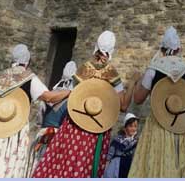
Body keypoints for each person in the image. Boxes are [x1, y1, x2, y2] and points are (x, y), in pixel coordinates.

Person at [33, 31, 137, 178]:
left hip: (75, 124)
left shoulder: (84, 69)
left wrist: (50, 97)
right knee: (86, 168)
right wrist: (132, 83)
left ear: (96, 47)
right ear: (112, 50)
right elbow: (123, 106)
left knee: (65, 163)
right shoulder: (112, 74)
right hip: (98, 127)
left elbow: (68, 93)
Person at [0, 44, 69, 178]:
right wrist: (69, 92)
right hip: (14, 127)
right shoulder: (29, 78)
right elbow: (49, 97)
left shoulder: (0, 76)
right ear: (27, 62)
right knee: (6, 161)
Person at [128, 25, 185, 178]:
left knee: (154, 166)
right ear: (178, 49)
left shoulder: (153, 69)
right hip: (181, 126)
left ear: (162, 49)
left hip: (157, 124)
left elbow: (137, 99)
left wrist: (137, 80)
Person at [27, 60, 77, 175]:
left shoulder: (51, 93)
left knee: (36, 166)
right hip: (59, 138)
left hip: (43, 134)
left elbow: (40, 118)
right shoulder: (73, 99)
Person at [103, 112, 139, 178]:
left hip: (129, 165)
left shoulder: (136, 142)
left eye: (135, 126)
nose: (133, 128)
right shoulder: (117, 139)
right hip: (116, 165)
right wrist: (106, 166)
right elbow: (110, 154)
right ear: (125, 127)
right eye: (131, 126)